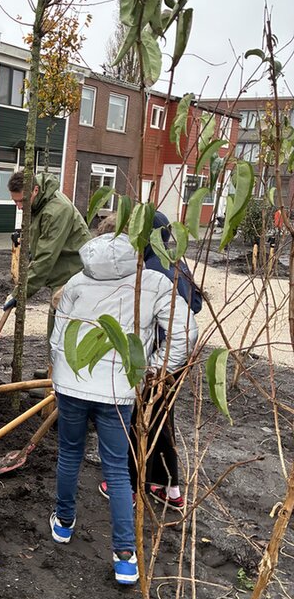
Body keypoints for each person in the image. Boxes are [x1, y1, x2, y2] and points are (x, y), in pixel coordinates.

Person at [49, 220, 198, 584]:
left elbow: (58, 337)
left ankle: (64, 523)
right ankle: (125, 557)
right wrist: (152, 370)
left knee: (69, 453)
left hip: (72, 385)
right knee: (116, 468)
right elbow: (184, 332)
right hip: (118, 391)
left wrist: (62, 376)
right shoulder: (153, 283)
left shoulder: (76, 282)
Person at [99, 211, 202, 512]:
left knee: (138, 420)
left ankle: (130, 486)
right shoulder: (173, 260)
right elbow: (195, 303)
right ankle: (169, 488)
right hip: (177, 356)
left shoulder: (152, 271)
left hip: (161, 356)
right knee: (161, 420)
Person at [4, 170, 91, 334]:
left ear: (35, 190)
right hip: (63, 273)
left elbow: (46, 258)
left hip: (73, 276)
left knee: (61, 331)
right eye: (15, 201)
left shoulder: (57, 211)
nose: (19, 207)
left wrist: (19, 293)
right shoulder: (38, 203)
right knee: (56, 328)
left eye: (22, 201)